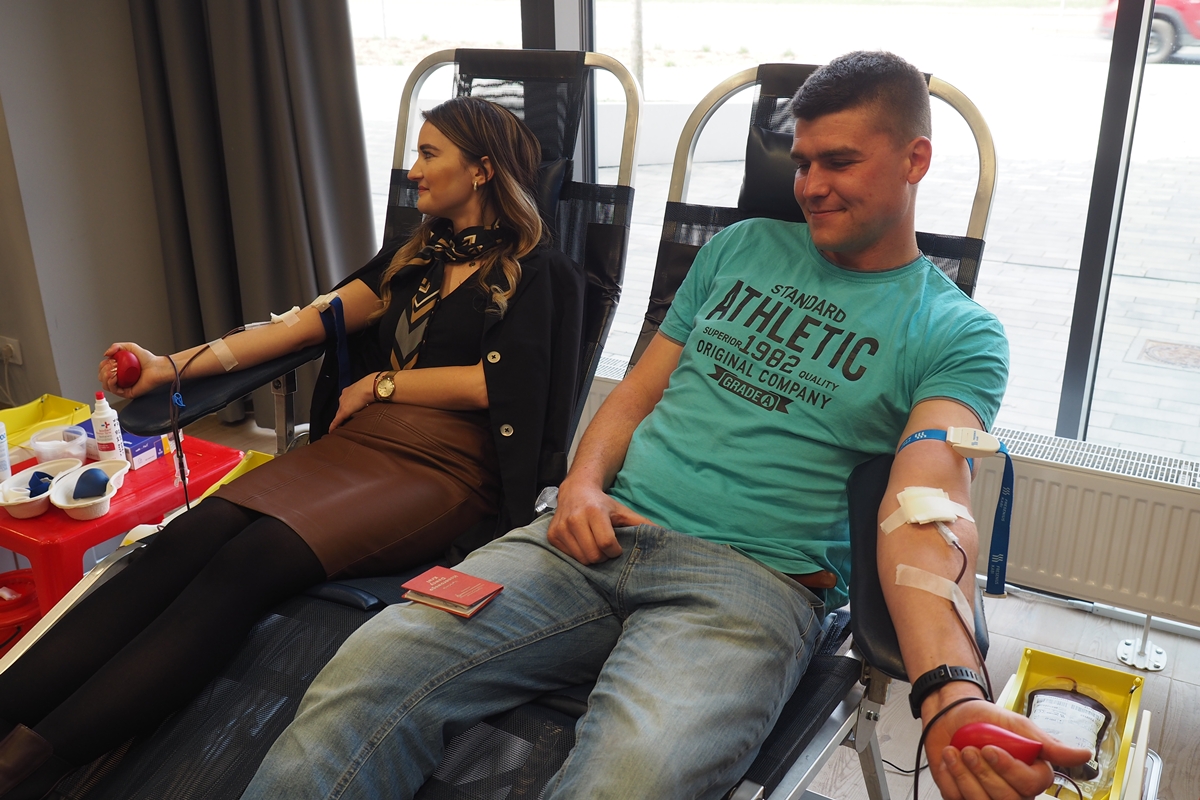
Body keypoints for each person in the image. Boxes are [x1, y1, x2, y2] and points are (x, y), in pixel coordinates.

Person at [242, 52, 1090, 800]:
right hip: (585, 538)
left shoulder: (956, 333)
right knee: (372, 667)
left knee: (630, 779)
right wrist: (579, 485)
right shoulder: (739, 248)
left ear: (916, 160)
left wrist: (950, 688)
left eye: (840, 161)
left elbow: (927, 507)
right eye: (802, 162)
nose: (811, 185)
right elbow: (635, 396)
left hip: (746, 589)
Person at [0, 96, 584, 799]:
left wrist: (384, 384)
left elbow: (504, 384)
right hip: (361, 445)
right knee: (185, 539)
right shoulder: (415, 256)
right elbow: (301, 326)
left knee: (252, 560)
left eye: (430, 154)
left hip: (448, 467)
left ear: (483, 169)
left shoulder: (537, 271)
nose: (413, 170)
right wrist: (168, 367)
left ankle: (27, 765)